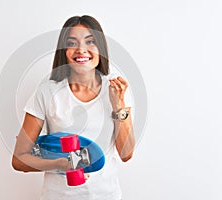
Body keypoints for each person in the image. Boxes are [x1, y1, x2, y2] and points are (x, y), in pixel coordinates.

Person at [12, 15, 135, 200]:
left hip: (106, 195)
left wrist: (118, 105)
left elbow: (126, 154)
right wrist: (61, 164)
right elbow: (19, 159)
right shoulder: (47, 92)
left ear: (100, 48)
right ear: (64, 50)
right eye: (72, 42)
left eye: (90, 42)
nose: (81, 50)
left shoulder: (117, 89)